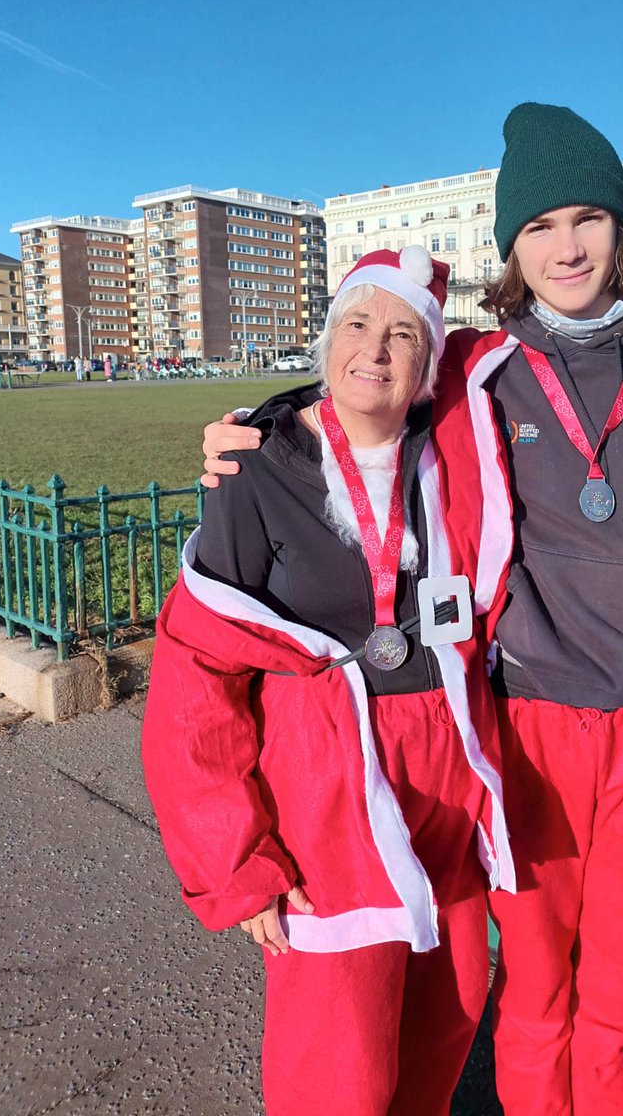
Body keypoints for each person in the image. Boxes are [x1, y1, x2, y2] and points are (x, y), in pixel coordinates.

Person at [201, 103, 623, 1115]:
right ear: (512, 242)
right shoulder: (477, 365)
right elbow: (368, 373)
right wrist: (259, 429)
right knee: (536, 987)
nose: (566, 246)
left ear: (621, 225)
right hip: (526, 720)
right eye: (539, 225)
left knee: (622, 993)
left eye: (586, 217)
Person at [142, 246, 515, 1116]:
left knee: (446, 1022)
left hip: (446, 798)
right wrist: (237, 861)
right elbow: (197, 676)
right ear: (325, 339)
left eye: (400, 336)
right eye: (356, 324)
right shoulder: (256, 468)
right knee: (336, 1067)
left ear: (430, 365)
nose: (374, 351)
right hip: (326, 806)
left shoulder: (456, 449)